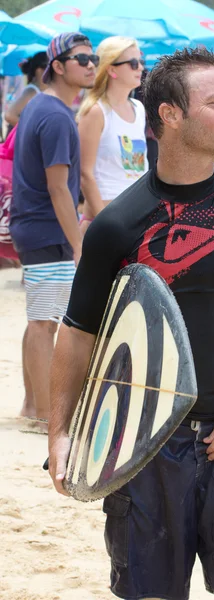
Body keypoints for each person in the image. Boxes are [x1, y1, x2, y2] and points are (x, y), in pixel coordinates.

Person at [48, 47, 214, 600]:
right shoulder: (116, 225)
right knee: (150, 593)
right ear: (169, 114)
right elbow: (77, 331)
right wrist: (61, 431)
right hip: (138, 444)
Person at [9, 32, 97, 426]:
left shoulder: (39, 106)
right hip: (47, 229)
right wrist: (78, 243)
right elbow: (58, 187)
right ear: (57, 66)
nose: (91, 64)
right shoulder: (57, 115)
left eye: (93, 57)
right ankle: (45, 414)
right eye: (81, 59)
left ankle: (33, 406)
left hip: (35, 227)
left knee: (39, 319)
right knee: (46, 323)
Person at [77, 36, 148, 235]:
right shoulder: (95, 111)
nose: (140, 68)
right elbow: (85, 174)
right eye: (133, 63)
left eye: (141, 62)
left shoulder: (138, 109)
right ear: (111, 69)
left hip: (137, 219)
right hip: (104, 220)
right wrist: (106, 224)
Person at [4, 52, 48, 127]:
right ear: (39, 70)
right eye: (50, 68)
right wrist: (33, 130)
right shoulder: (32, 91)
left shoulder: (40, 90)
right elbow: (10, 116)